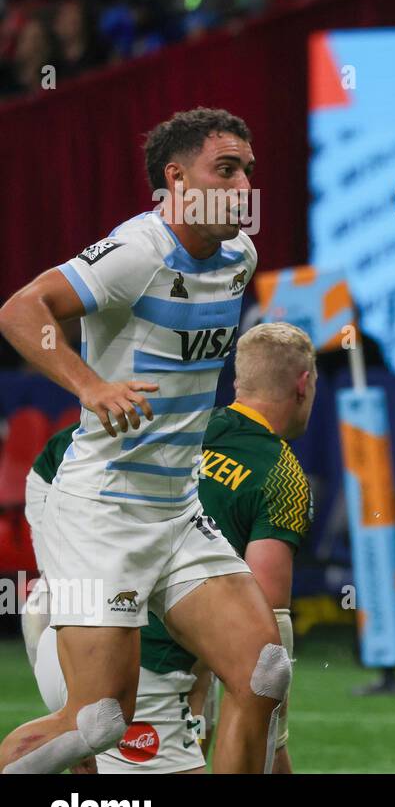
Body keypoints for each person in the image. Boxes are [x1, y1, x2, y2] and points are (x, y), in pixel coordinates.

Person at [0, 108, 287, 774]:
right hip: (100, 515)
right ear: (176, 178)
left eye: (248, 169)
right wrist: (91, 386)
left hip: (177, 513)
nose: (244, 183)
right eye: (226, 169)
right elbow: (20, 309)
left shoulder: (240, 256)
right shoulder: (136, 253)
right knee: (96, 724)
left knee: (264, 673)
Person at [24, 321, 317, 774]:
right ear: (304, 384)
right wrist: (272, 739)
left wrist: (64, 582)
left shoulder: (174, 430)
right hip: (143, 680)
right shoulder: (280, 474)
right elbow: (270, 625)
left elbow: (48, 465)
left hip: (71, 645)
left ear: (236, 382)